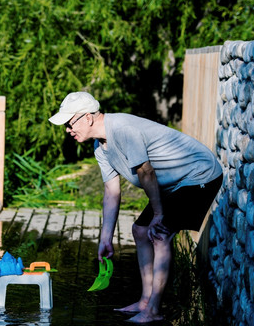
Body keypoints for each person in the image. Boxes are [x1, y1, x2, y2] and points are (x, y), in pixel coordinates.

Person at [49, 91, 222, 323]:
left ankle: (153, 310)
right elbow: (112, 191)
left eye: (70, 124)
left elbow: (146, 171)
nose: (68, 130)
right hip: (176, 183)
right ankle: (145, 300)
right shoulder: (100, 147)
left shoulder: (122, 129)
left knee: (160, 234)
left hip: (200, 175)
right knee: (140, 230)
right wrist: (105, 239)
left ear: (87, 118)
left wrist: (159, 214)